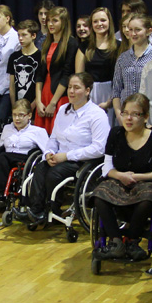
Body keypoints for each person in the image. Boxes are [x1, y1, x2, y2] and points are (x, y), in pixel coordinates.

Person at [91, 93, 152, 260]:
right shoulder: (116, 134)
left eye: (135, 114)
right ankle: (116, 242)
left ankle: (132, 241)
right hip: (119, 180)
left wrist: (138, 177)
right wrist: (120, 175)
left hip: (149, 182)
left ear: (145, 117)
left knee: (147, 199)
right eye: (125, 113)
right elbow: (107, 166)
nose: (128, 118)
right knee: (99, 195)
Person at [26, 72, 110, 223]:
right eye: (70, 87)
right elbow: (53, 138)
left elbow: (99, 148)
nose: (71, 91)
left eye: (76, 88)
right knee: (41, 168)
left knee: (54, 173)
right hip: (59, 157)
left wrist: (66, 156)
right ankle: (36, 211)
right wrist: (49, 153)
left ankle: (53, 211)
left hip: (82, 160)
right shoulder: (63, 109)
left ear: (87, 91)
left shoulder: (97, 115)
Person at [34, 6, 83, 133]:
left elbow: (67, 75)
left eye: (55, 21)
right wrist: (38, 101)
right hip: (45, 93)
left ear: (64, 22)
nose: (50, 24)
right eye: (49, 20)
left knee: (58, 134)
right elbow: (40, 74)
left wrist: (53, 103)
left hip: (59, 95)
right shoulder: (47, 43)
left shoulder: (71, 43)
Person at [0, 98, 49, 195]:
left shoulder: (38, 131)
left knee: (2, 157)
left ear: (29, 115)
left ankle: (1, 193)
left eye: (21, 115)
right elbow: (0, 147)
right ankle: (2, 190)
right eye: (14, 115)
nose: (17, 118)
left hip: (25, 158)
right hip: (5, 159)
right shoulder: (7, 128)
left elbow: (47, 150)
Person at [111, 13, 152, 125]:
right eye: (131, 30)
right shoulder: (123, 58)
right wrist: (119, 114)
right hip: (126, 117)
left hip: (148, 116)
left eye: (137, 30)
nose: (133, 33)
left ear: (148, 31)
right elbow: (116, 90)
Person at [83, 7, 117, 110]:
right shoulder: (84, 47)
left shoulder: (119, 46)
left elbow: (121, 79)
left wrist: (110, 101)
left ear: (109, 22)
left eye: (103, 20)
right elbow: (79, 77)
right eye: (95, 21)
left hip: (112, 95)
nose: (99, 24)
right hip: (89, 94)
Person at [6, 19, 41, 109]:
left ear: (33, 36)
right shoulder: (14, 57)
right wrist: (14, 106)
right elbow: (12, 85)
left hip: (34, 105)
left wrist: (32, 107)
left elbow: (42, 84)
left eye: (24, 35)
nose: (20, 38)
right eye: (19, 35)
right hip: (18, 105)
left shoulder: (40, 57)